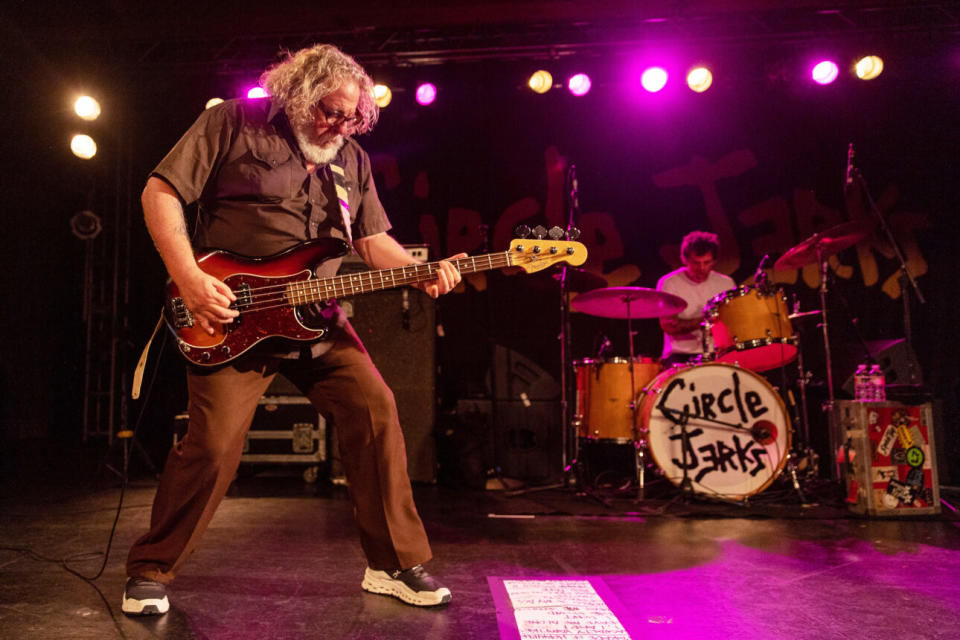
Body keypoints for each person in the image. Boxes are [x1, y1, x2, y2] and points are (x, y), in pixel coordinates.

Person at [122, 44, 461, 615]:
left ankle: (393, 565)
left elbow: (371, 240)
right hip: (233, 315)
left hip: (317, 319)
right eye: (329, 110)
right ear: (299, 93)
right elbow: (160, 192)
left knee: (375, 410)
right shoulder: (231, 122)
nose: (339, 123)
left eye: (351, 116)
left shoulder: (350, 158)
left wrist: (420, 272)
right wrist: (189, 276)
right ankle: (150, 569)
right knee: (212, 446)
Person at [657, 231, 735, 367]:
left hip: (719, 353)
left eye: (707, 262)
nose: (702, 268)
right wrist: (706, 319)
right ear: (684, 259)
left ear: (714, 260)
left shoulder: (726, 283)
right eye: (696, 263)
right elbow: (669, 326)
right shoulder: (670, 283)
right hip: (680, 355)